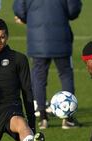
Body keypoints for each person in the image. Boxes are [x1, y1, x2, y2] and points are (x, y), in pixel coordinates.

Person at [12, 0, 82, 129]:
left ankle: (43, 117)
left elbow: (19, 8)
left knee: (38, 77)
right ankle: (68, 118)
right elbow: (74, 9)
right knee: (66, 74)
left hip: (37, 38)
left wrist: (29, 17)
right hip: (61, 37)